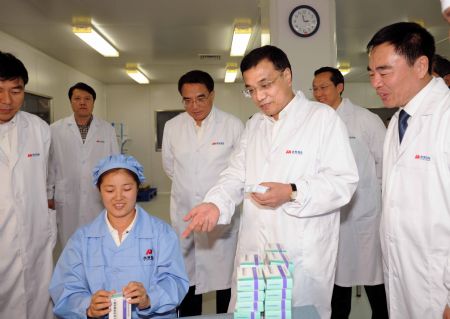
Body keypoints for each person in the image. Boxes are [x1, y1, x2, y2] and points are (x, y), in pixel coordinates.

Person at [182, 45, 359, 318]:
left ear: (287, 75)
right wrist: (215, 203)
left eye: (265, 85)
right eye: (251, 89)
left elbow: (343, 182)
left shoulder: (322, 119)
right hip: (255, 251)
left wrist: (292, 192)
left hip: (300, 252)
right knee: (250, 312)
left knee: (300, 312)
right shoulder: (255, 125)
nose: (259, 97)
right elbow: (235, 174)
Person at [367, 22, 450, 319]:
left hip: (439, 288)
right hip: (403, 278)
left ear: (420, 65)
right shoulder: (399, 122)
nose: (375, 82)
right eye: (371, 73)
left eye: (384, 71)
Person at [49, 154, 189, 318]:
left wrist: (149, 299)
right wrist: (87, 306)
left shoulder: (162, 234)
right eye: (109, 190)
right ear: (99, 190)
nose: (118, 197)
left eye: (127, 189)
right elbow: (65, 287)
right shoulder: (82, 240)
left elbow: (175, 281)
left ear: (138, 188)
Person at [162, 70, 244, 316]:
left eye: (200, 98)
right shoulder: (172, 126)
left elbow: (240, 170)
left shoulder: (232, 125)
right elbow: (169, 167)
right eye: (187, 100)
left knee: (225, 279)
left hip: (221, 218)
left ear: (212, 95)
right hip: (185, 212)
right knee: (187, 276)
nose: (194, 106)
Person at [312, 67, 388, 319]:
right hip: (331, 215)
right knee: (336, 282)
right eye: (315, 88)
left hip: (365, 214)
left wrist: (373, 194)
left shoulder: (365, 119)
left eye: (324, 87)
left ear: (339, 87)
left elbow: (386, 163)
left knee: (373, 278)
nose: (318, 93)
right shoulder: (314, 123)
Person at [0, 51, 55, 318]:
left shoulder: (39, 129)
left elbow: (44, 181)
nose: (6, 100)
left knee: (37, 299)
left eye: (15, 90)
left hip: (34, 236)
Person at [47, 82, 119, 246]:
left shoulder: (107, 129)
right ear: (71, 101)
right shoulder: (55, 129)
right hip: (67, 194)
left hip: (97, 194)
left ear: (93, 102)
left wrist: (115, 191)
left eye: (87, 98)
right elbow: (50, 165)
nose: (82, 102)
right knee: (69, 242)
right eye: (77, 98)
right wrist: (49, 194)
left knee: (97, 239)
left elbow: (114, 163)